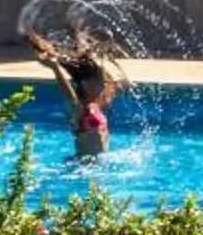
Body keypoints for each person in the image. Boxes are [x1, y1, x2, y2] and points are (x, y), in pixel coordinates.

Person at [27, 25, 131, 159]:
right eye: (101, 83)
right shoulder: (80, 110)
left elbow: (125, 84)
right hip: (82, 164)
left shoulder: (98, 105)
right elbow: (67, 90)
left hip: (98, 164)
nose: (104, 85)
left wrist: (111, 61)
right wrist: (55, 68)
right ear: (86, 85)